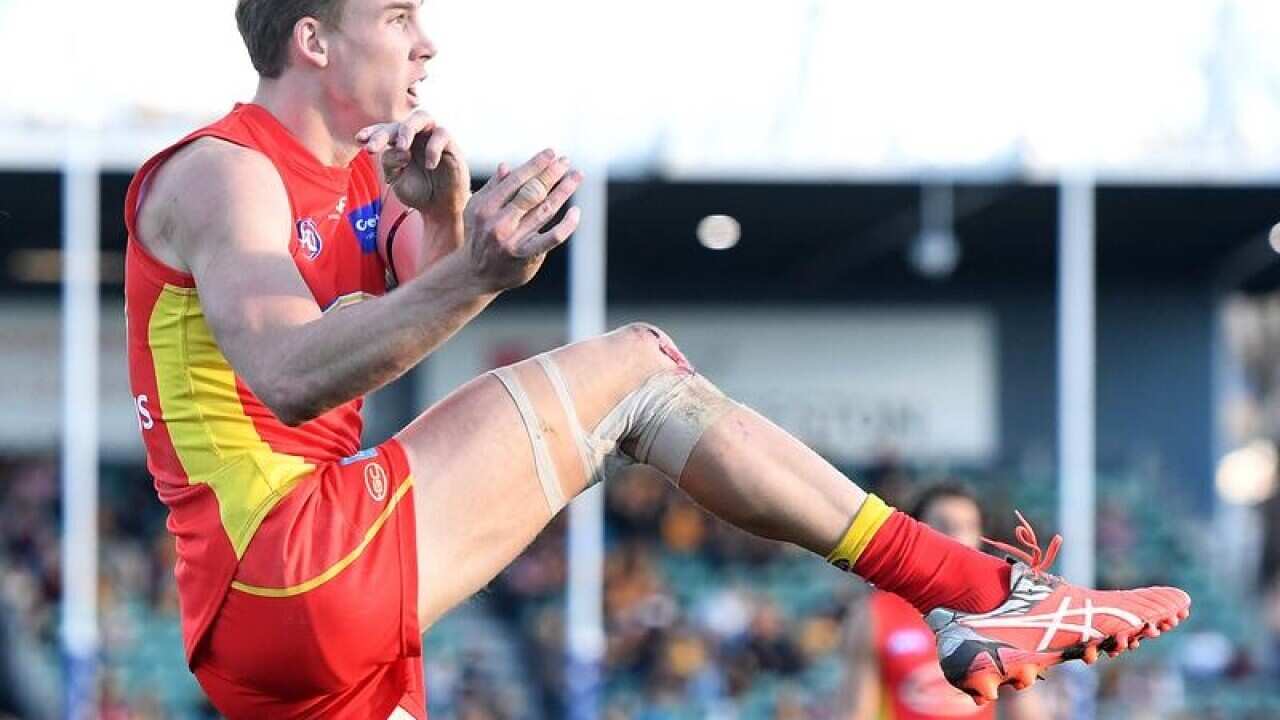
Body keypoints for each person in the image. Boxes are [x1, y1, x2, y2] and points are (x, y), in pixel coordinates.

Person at [122, 1, 1190, 717]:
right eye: (399, 14)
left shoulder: (366, 175)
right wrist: (477, 270)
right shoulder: (223, 172)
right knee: (637, 371)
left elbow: (411, 315)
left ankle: (980, 599)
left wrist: (444, 218)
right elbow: (289, 374)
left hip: (293, 609)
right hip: (287, 563)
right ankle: (972, 588)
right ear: (313, 39)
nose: (428, 43)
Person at [840, 482, 1048, 720]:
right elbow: (856, 711)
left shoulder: (1003, 615)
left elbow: (1026, 709)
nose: (957, 537)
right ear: (916, 535)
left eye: (967, 527)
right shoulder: (874, 614)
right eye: (943, 525)